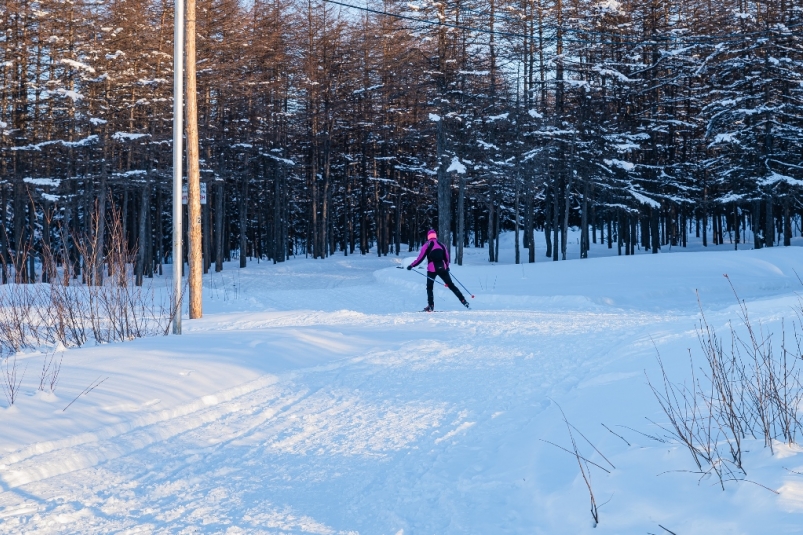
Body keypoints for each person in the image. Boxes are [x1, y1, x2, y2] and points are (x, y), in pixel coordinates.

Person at [407, 229, 469, 312]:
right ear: (435, 236)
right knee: (451, 285)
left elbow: (420, 258)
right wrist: (446, 266)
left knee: (429, 288)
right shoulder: (441, 245)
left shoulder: (427, 245)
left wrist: (412, 265)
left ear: (428, 236)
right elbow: (446, 257)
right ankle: (463, 301)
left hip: (432, 269)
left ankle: (431, 305)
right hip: (443, 268)